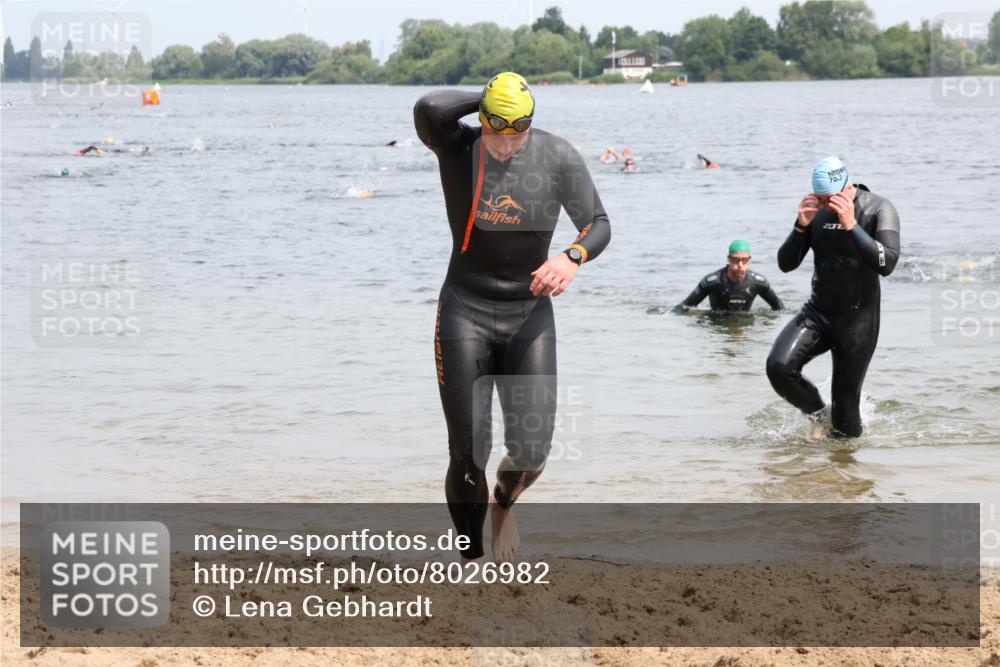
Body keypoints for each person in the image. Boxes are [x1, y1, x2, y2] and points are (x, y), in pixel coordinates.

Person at [414, 72, 611, 563]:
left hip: (529, 316)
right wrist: (486, 99)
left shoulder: (556, 155)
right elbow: (428, 108)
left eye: (516, 134)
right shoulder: (459, 147)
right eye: (497, 133)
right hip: (464, 310)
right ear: (482, 121)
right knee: (467, 452)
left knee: (532, 452)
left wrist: (571, 256)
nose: (505, 145)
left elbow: (599, 224)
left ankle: (503, 504)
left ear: (530, 124)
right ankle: (471, 560)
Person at [766, 156, 900, 438]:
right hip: (818, 312)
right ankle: (819, 415)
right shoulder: (815, 212)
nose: (825, 205)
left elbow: (887, 263)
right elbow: (785, 264)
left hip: (858, 321)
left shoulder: (878, 208)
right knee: (778, 367)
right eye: (820, 198)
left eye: (829, 199)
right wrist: (801, 226)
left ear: (845, 187)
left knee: (845, 414)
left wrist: (852, 225)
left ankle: (845, 476)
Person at [673, 240, 783, 313]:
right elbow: (686, 306)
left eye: (744, 260)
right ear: (729, 259)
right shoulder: (712, 282)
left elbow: (779, 308)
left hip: (745, 326)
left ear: (749, 260)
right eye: (736, 260)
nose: (740, 265)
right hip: (717, 325)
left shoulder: (758, 282)